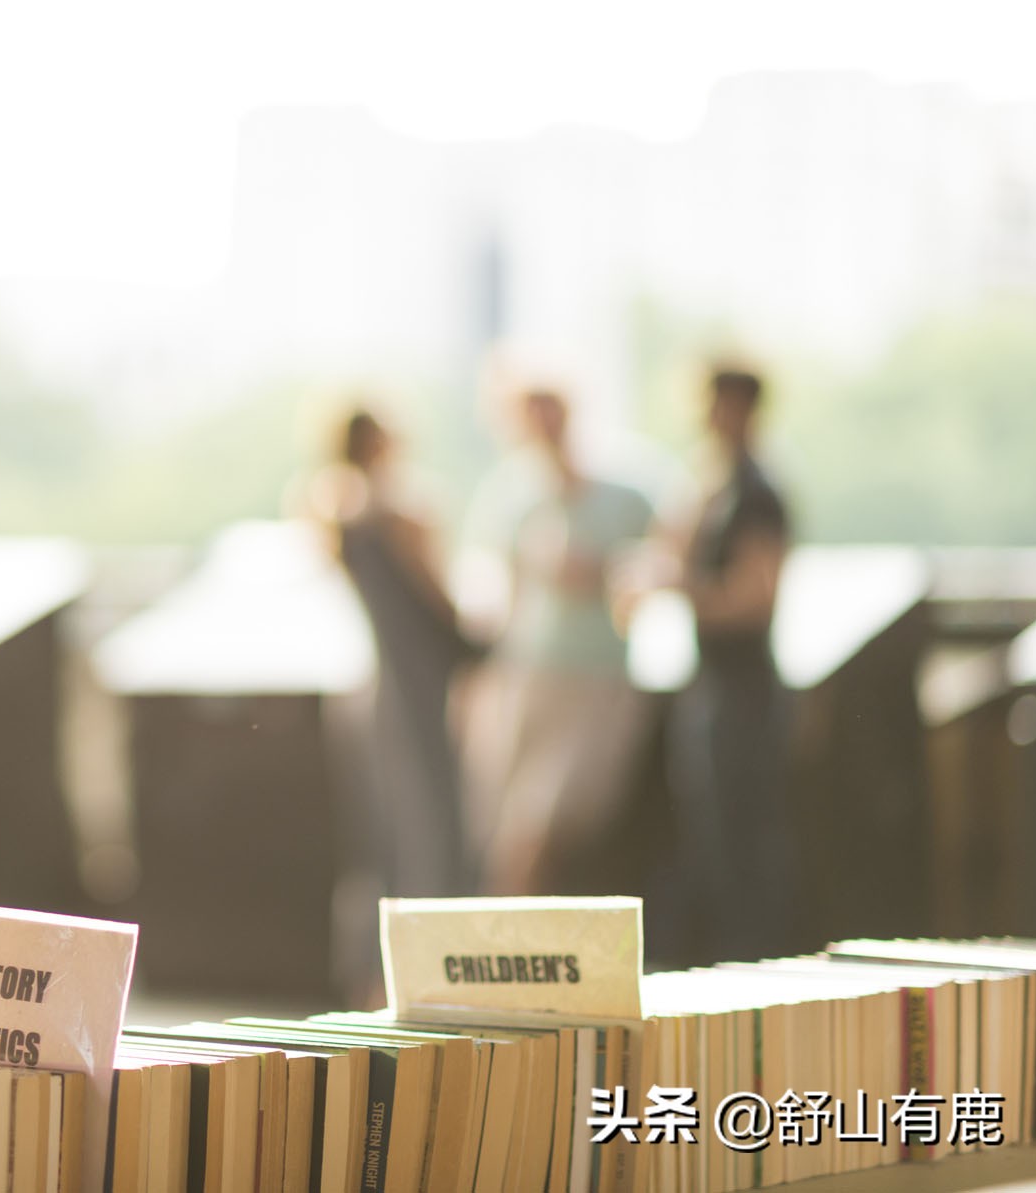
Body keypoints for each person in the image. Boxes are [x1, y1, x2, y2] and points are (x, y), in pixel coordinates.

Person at [465, 388, 656, 894]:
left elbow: (655, 574)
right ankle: (505, 923)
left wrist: (605, 578)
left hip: (596, 680)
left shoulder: (628, 494)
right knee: (513, 823)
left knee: (558, 819)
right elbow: (498, 598)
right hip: (527, 678)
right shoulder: (509, 496)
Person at [313, 409, 479, 897]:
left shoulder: (338, 516)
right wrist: (473, 644)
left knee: (395, 807)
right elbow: (436, 597)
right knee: (433, 801)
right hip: (420, 675)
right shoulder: (397, 516)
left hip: (385, 676)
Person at [666, 365, 799, 960]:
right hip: (713, 682)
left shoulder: (757, 493)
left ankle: (755, 957)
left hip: (743, 689)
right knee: (715, 838)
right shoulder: (715, 487)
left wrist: (679, 587)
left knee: (745, 838)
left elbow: (753, 598)